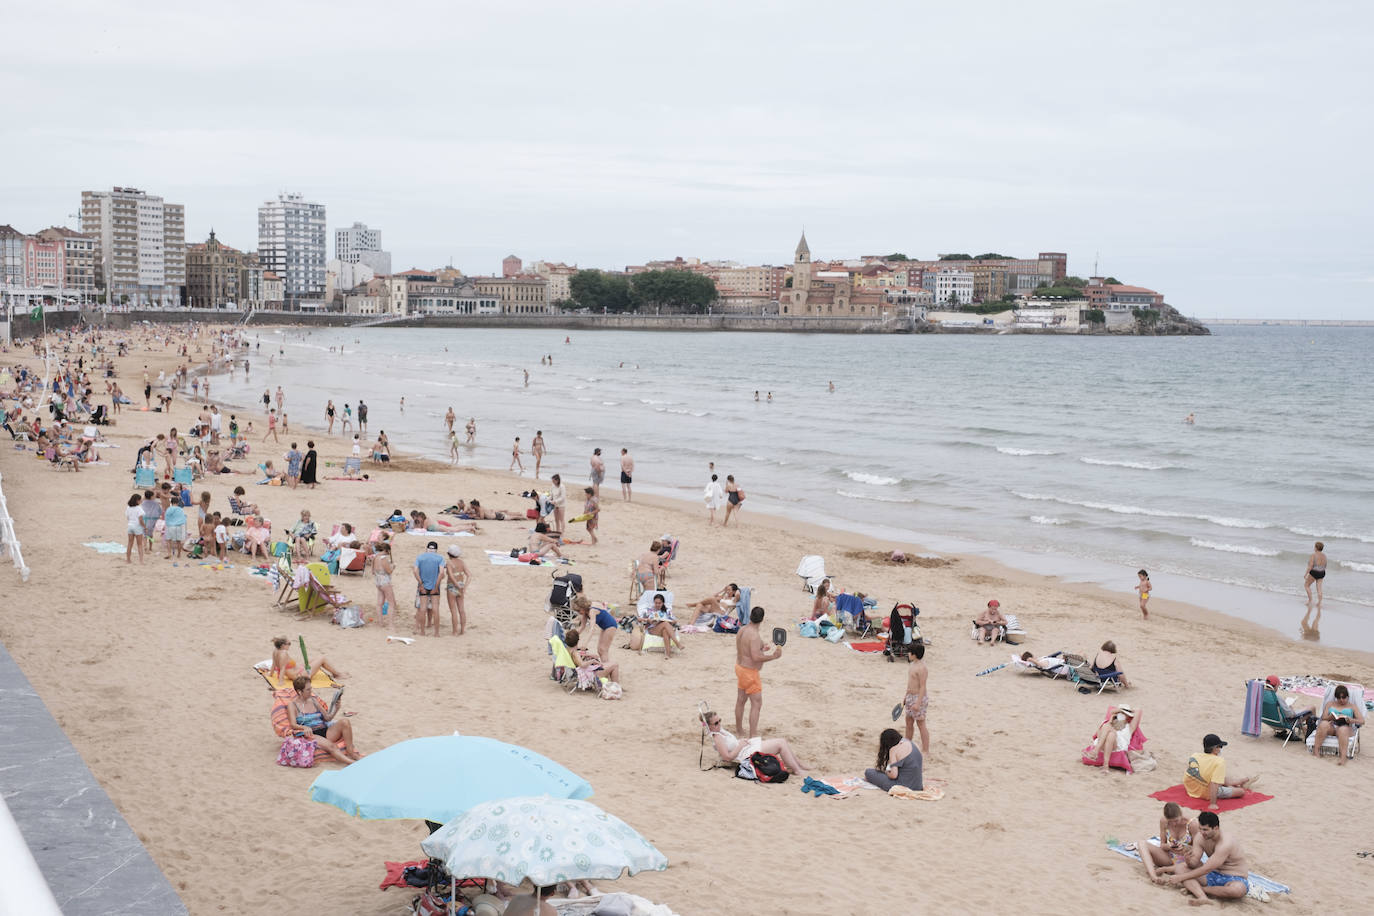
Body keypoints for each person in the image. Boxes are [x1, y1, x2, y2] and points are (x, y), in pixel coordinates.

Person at [1154, 811, 1250, 904]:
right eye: (1200, 829)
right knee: (1181, 867)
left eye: (1205, 830)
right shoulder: (1200, 837)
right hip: (1213, 875)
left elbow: (1207, 868)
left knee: (1237, 890)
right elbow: (1194, 863)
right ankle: (1202, 896)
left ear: (1216, 828)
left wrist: (1180, 878)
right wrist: (1188, 861)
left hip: (1235, 877)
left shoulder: (1225, 843)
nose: (1202, 832)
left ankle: (1198, 890)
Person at [704, 710, 809, 776]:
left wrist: (740, 742)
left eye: (720, 721)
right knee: (780, 744)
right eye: (716, 723)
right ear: (709, 726)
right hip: (745, 754)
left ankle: (799, 765)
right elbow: (727, 757)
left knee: (783, 741)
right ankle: (797, 770)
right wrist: (740, 746)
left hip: (745, 748)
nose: (719, 724)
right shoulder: (717, 738)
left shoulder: (719, 730)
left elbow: (730, 744)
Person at [286, 675, 360, 765]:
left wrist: (336, 708)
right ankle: (352, 763)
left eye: (311, 688)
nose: (311, 691)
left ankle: (351, 752)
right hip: (311, 734)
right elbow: (293, 724)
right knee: (332, 746)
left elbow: (327, 718)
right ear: (299, 692)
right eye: (308, 690)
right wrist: (304, 727)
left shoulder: (313, 700)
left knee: (345, 722)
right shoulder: (292, 705)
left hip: (324, 730)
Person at [734, 606, 781, 738]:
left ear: (750, 616)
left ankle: (739, 730)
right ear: (762, 619)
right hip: (749, 673)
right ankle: (753, 734)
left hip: (740, 667)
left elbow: (746, 649)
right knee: (756, 704)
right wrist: (773, 656)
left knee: (741, 700)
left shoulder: (743, 630)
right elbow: (755, 657)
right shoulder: (754, 635)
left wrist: (762, 648)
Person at [1183, 734, 1259, 810]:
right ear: (1215, 748)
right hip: (1204, 791)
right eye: (1220, 747)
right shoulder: (1219, 761)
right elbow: (1214, 783)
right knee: (1241, 792)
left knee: (1220, 777)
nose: (1221, 749)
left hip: (1190, 787)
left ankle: (1242, 780)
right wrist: (1213, 804)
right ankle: (1239, 784)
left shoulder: (1195, 755)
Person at [1140, 802, 1202, 881]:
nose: (1173, 824)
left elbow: (1198, 850)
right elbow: (1162, 845)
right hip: (1169, 857)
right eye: (1170, 821)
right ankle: (1153, 876)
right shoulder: (1164, 821)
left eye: (1176, 820)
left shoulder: (1192, 824)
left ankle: (1166, 870)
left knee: (1193, 864)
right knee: (1142, 843)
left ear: (1181, 815)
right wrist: (1169, 846)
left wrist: (1185, 848)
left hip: (1185, 860)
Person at [1309, 684, 1363, 765]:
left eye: (1343, 697)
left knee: (1343, 729)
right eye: (1339, 698)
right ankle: (1316, 751)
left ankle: (1343, 758)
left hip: (1346, 727)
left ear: (1347, 697)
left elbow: (1362, 720)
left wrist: (1351, 720)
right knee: (1323, 724)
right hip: (1332, 726)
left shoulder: (1352, 706)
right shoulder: (1330, 704)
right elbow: (1323, 717)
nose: (1341, 700)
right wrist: (1330, 717)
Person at [1086, 705, 1142, 769]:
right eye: (1119, 713)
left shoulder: (1130, 727)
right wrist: (1111, 719)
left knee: (1111, 734)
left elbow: (1138, 710)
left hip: (1117, 746)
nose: (1121, 715)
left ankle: (1095, 751)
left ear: (1127, 716)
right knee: (1109, 732)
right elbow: (1098, 735)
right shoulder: (1109, 723)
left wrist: (1124, 710)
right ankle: (1105, 765)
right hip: (1103, 744)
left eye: (1124, 714)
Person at [270, 636, 348, 681]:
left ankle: (336, 673)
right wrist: (280, 682)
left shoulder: (275, 651)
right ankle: (337, 674)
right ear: (283, 645)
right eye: (289, 644)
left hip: (298, 670)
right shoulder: (283, 654)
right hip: (299, 676)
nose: (290, 646)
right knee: (322, 658)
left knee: (318, 657)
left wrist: (270, 675)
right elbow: (283, 669)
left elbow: (274, 664)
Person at [902, 642, 930, 753]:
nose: (908, 654)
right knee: (908, 722)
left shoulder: (922, 668)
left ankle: (925, 750)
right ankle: (907, 745)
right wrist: (905, 696)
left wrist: (918, 703)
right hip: (910, 696)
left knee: (921, 724)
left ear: (914, 654)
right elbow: (910, 684)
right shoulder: (912, 665)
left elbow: (923, 686)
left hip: (919, 697)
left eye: (909, 652)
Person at [572, 595, 617, 663]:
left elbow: (592, 629)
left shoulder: (592, 611)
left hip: (611, 625)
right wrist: (571, 636)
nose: (579, 612)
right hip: (604, 627)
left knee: (603, 650)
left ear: (583, 607)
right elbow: (581, 627)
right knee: (600, 650)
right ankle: (605, 666)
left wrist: (585, 644)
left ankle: (607, 668)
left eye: (579, 610)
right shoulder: (585, 613)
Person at [413, 541, 444, 637]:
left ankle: (422, 632)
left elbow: (415, 571)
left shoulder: (420, 557)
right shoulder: (440, 558)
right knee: (435, 609)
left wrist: (421, 584)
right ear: (436, 550)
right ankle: (436, 633)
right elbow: (441, 573)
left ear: (427, 548)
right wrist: (436, 586)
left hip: (423, 586)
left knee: (422, 609)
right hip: (435, 586)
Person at [443, 544, 471, 636]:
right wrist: (464, 587)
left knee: (453, 610)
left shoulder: (449, 563)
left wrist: (456, 585)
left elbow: (450, 575)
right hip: (461, 585)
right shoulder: (461, 562)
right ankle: (462, 630)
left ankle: (455, 631)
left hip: (452, 586)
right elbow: (469, 575)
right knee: (461, 610)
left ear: (448, 554)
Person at [372, 541, 397, 629]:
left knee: (379, 603)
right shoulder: (383, 558)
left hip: (378, 581)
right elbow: (389, 571)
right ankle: (390, 625)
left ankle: (380, 623)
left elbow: (372, 572)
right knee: (391, 603)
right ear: (387, 550)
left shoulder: (375, 557)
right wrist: (393, 567)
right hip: (385, 581)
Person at [125, 493, 145, 564]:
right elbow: (141, 520)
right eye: (140, 500)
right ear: (137, 501)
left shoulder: (128, 508)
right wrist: (145, 527)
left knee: (130, 543)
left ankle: (128, 559)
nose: (141, 501)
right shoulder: (139, 509)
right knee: (139, 544)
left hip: (130, 526)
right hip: (137, 527)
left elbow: (127, 517)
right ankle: (141, 561)